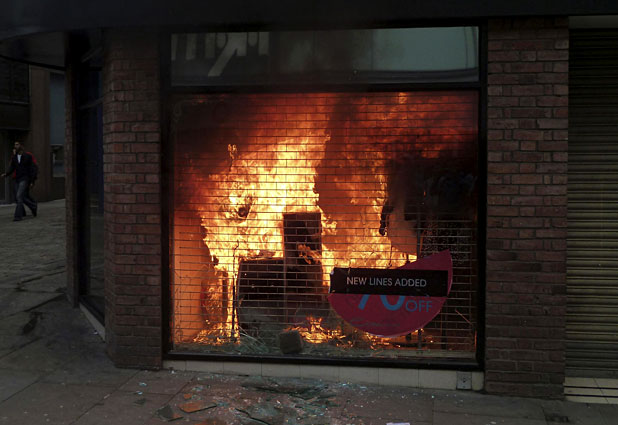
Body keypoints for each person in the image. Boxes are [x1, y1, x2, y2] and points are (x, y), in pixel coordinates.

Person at [1, 141, 38, 221]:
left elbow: (33, 169)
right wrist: (6, 174)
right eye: (14, 145)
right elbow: (12, 167)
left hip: (25, 179)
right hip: (17, 179)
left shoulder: (28, 156)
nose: (15, 146)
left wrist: (32, 181)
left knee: (19, 196)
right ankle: (33, 206)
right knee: (19, 197)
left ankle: (18, 216)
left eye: (17, 144)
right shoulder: (14, 157)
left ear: (21, 146)